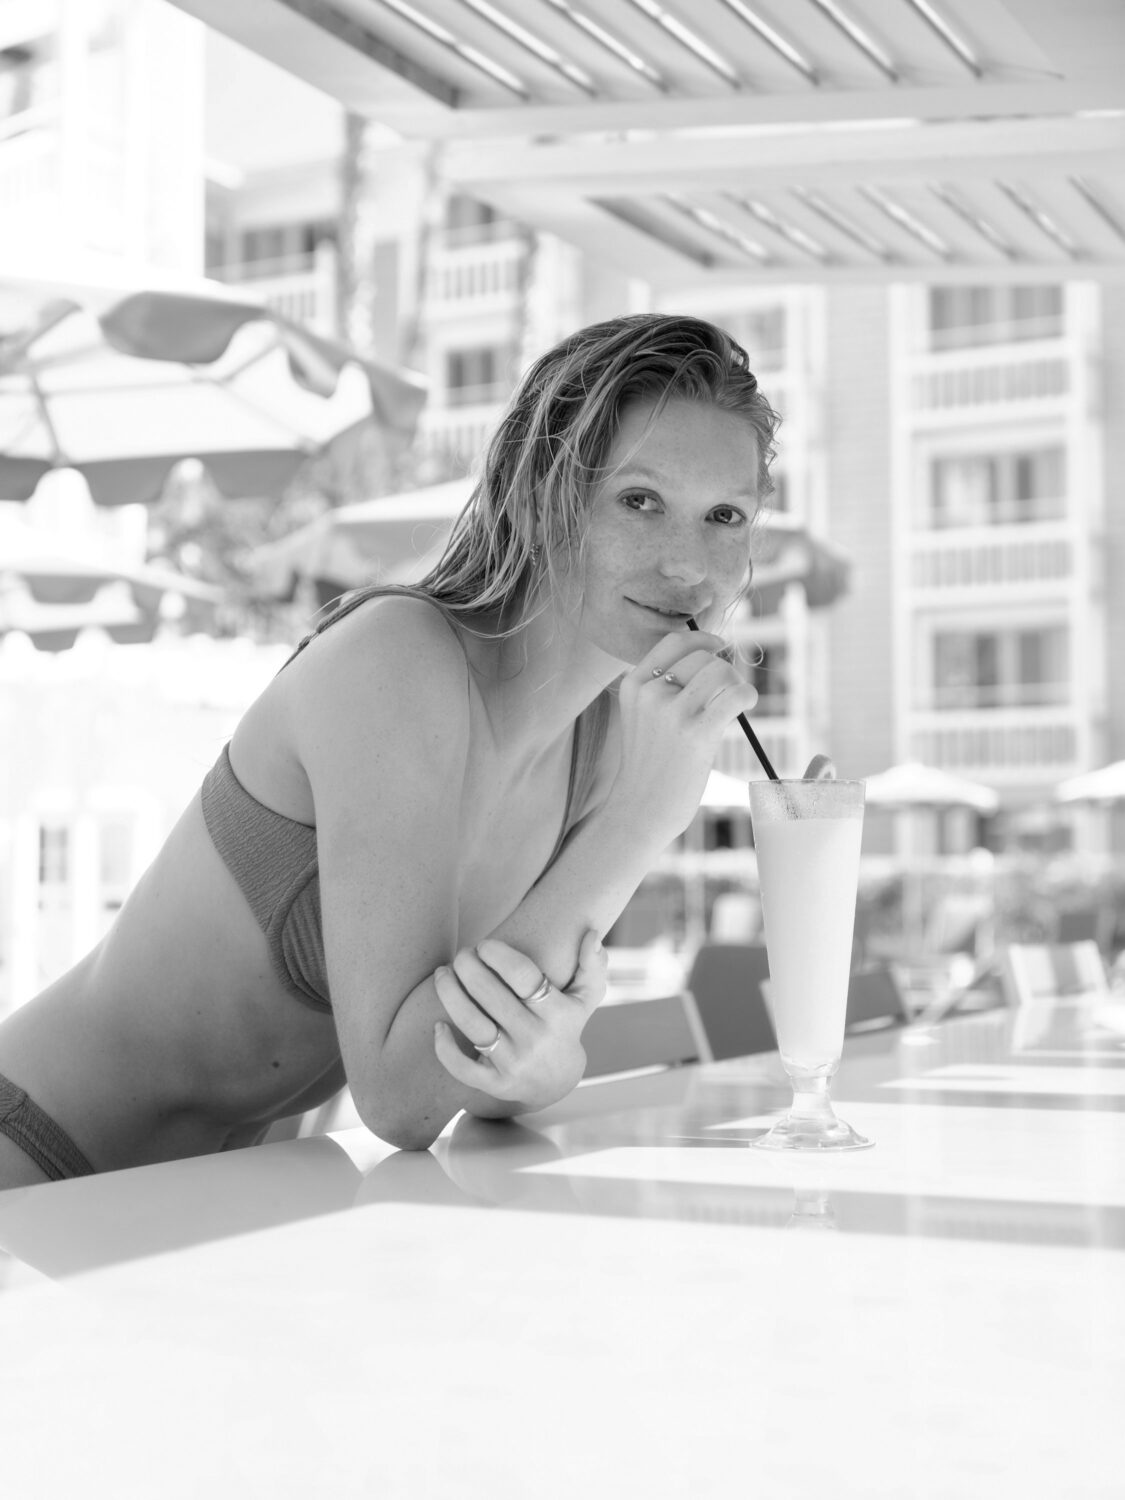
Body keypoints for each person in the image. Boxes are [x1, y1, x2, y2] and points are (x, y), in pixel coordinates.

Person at [0, 312, 779, 1188]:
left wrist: (547, 1070)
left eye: (725, 516)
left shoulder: (602, 745)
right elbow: (402, 1096)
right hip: (38, 1163)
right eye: (639, 500)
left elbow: (476, 1069)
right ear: (539, 498)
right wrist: (640, 820)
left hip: (203, 1206)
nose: (689, 565)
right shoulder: (398, 660)